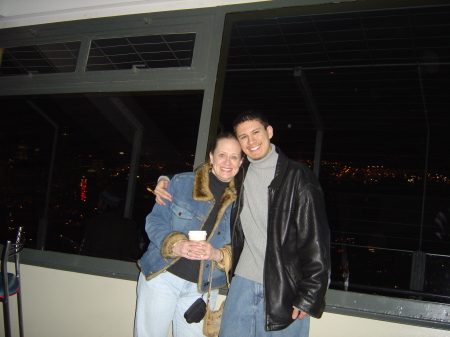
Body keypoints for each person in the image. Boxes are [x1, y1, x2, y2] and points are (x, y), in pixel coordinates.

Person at [154, 111, 330, 336]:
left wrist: (310, 296)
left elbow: (316, 241)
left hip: (283, 288)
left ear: (269, 132)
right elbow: (206, 175)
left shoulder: (298, 177)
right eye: (243, 137)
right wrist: (165, 179)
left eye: (256, 132)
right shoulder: (239, 174)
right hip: (241, 285)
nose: (251, 141)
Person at [134, 132, 243, 337]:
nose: (227, 162)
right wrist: (175, 245)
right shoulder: (182, 183)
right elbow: (154, 221)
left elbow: (243, 245)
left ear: (241, 161)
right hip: (163, 278)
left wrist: (217, 255)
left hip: (202, 290)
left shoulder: (242, 202)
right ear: (211, 157)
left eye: (234, 156)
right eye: (222, 155)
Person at [80, 189, 141, 261]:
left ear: (105, 204)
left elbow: (85, 251)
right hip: (120, 268)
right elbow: (134, 252)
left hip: (95, 266)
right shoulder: (128, 225)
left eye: (99, 201)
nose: (97, 204)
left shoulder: (93, 223)